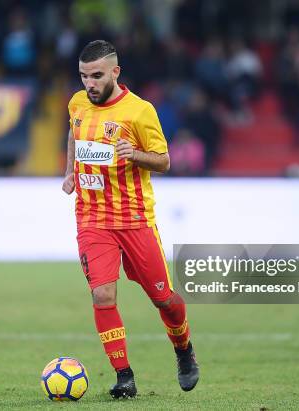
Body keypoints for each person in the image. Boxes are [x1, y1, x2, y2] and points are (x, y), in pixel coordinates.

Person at [62, 40, 199, 398]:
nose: (89, 84)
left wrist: (134, 153)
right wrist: (69, 172)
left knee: (164, 299)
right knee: (102, 294)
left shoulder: (140, 112)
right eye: (83, 76)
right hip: (92, 217)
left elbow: (165, 161)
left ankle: (183, 349)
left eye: (96, 76)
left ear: (115, 72)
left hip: (135, 219)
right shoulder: (77, 104)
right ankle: (124, 376)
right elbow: (73, 133)